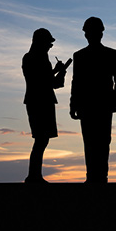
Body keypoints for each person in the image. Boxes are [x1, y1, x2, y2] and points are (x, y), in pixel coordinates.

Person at [70, 17, 116, 183]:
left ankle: (99, 176)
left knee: (100, 141)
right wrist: (74, 104)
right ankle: (94, 176)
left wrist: (115, 100)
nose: (90, 34)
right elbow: (76, 82)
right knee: (93, 141)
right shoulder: (79, 56)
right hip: (90, 105)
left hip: (101, 104)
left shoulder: (110, 54)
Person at [22, 28, 68, 184]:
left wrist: (58, 71)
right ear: (41, 42)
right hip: (39, 102)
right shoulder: (33, 58)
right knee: (41, 139)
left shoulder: (36, 58)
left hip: (41, 101)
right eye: (49, 42)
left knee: (42, 140)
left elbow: (50, 82)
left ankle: (35, 175)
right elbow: (45, 82)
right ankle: (33, 176)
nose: (50, 46)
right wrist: (58, 72)